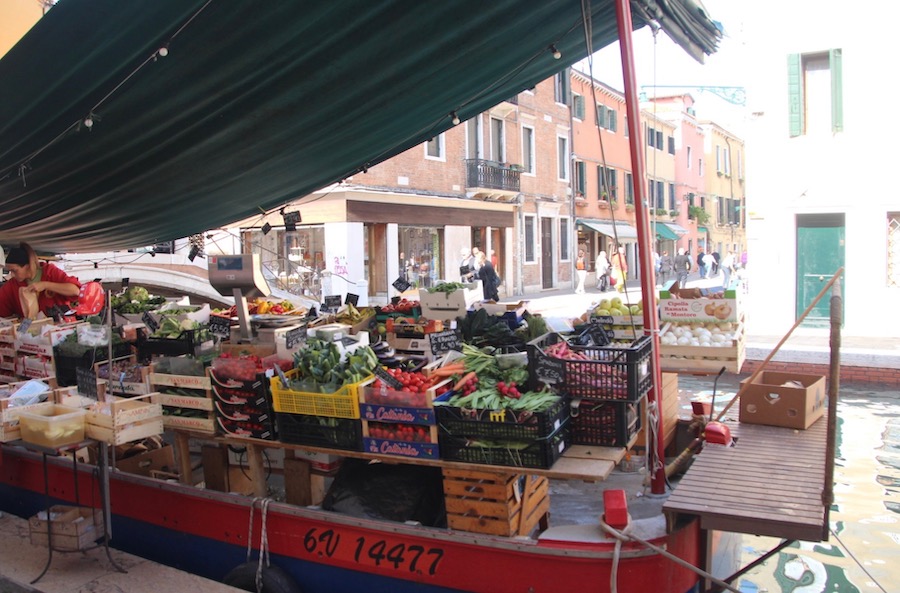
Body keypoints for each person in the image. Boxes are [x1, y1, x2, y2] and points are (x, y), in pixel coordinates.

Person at [0, 242, 81, 319]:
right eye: (10, 271)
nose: (12, 275)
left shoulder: (50, 272)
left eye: (14, 270)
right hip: (31, 330)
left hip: (58, 326)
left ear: (27, 265)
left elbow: (75, 291)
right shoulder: (12, 284)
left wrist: (46, 285)